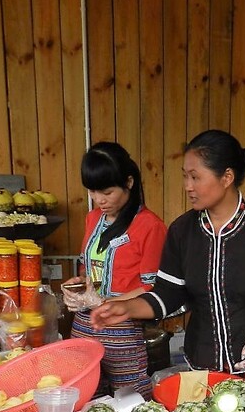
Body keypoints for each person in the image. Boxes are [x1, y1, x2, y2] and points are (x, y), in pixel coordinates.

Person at [89, 129, 245, 374]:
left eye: (195, 177)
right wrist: (127, 307)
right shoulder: (182, 231)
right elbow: (168, 295)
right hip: (204, 364)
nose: (188, 186)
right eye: (185, 177)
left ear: (227, 177)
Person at [62, 142, 167, 397]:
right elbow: (89, 270)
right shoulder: (93, 218)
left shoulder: (150, 226)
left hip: (123, 331)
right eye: (93, 192)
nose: (99, 200)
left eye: (107, 192)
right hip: (84, 326)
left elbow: (150, 287)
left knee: (128, 402)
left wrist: (105, 302)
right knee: (86, 398)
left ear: (129, 182)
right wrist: (76, 287)